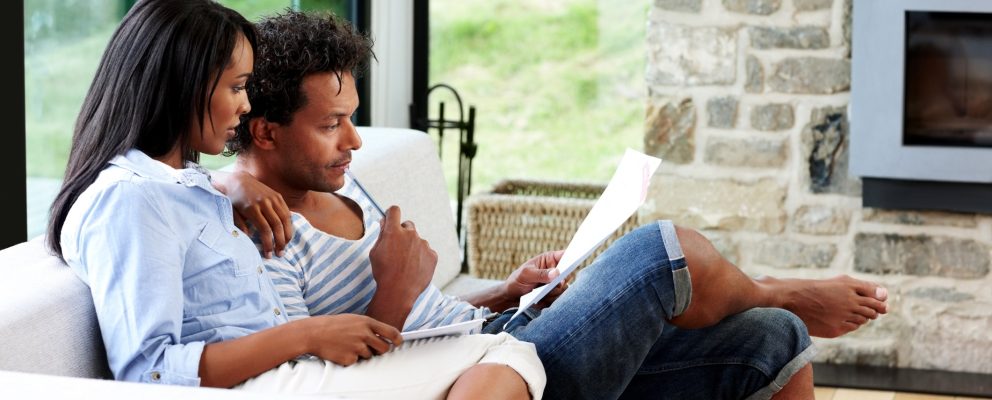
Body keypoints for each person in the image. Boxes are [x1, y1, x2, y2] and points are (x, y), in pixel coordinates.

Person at [219, 10, 889, 400]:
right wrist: (394, 292)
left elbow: (429, 310)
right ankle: (772, 287)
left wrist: (503, 291)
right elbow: (312, 384)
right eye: (333, 124)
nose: (355, 142)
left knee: (773, 341)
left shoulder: (333, 179)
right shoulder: (261, 230)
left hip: (500, 329)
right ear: (265, 130)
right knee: (662, 252)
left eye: (353, 119)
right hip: (488, 375)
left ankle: (772, 304)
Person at [45, 1, 545, 399]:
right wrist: (307, 336)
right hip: (273, 384)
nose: (246, 104)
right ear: (184, 87)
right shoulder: (128, 201)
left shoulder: (183, 185)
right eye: (237, 87)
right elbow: (147, 373)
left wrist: (230, 186)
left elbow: (203, 205)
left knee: (501, 357)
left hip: (300, 372)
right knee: (503, 353)